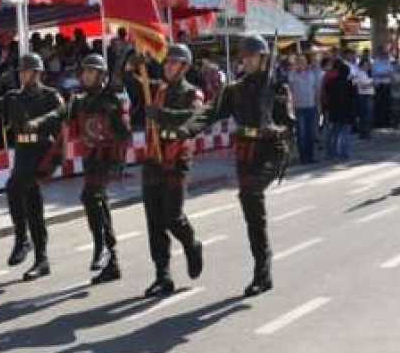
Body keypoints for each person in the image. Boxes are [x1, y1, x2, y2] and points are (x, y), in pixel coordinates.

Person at [192, 36, 293, 297]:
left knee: (251, 192)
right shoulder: (235, 89)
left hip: (271, 150)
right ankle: (263, 269)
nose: (246, 60)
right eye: (244, 56)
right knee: (251, 209)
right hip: (247, 153)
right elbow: (210, 112)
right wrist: (186, 128)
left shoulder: (277, 86)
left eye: (252, 56)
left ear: (263, 58)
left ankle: (262, 269)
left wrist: (275, 127)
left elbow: (288, 123)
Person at [0, 53, 65, 281]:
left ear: (37, 73)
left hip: (41, 153)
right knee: (32, 204)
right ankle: (40, 258)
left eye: (27, 71)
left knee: (15, 188)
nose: (22, 75)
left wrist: (57, 159)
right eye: (21, 72)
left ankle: (23, 239)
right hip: (22, 152)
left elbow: (62, 123)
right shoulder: (13, 97)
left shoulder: (50, 96)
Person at [135, 43, 205, 298]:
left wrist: (161, 114)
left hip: (176, 160)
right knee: (154, 221)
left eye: (174, 62)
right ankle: (162, 275)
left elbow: (193, 118)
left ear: (185, 67)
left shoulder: (193, 93)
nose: (168, 66)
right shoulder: (158, 89)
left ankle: (191, 243)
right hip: (153, 158)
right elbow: (130, 81)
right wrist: (133, 61)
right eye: (167, 62)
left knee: (172, 217)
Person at [67, 53, 131, 285]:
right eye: (85, 71)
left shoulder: (112, 99)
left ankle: (101, 246)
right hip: (90, 159)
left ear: (102, 75)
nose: (86, 75)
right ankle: (113, 262)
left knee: (90, 196)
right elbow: (69, 124)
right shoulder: (81, 100)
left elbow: (124, 134)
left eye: (91, 71)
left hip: (107, 158)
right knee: (99, 203)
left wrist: (118, 161)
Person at [323, 51, 356, 161]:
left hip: (334, 111)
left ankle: (332, 153)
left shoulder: (331, 82)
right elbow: (353, 98)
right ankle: (344, 153)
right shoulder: (349, 84)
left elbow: (327, 95)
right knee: (345, 133)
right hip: (346, 111)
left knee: (334, 133)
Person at [288, 54, 321, 164]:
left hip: (311, 106)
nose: (301, 63)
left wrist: (318, 104)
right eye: (299, 61)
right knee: (301, 134)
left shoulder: (312, 74)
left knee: (310, 133)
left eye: (303, 61)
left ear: (307, 62)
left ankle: (310, 156)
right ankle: (303, 157)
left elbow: (316, 90)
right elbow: (290, 91)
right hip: (299, 108)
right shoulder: (293, 74)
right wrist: (291, 107)